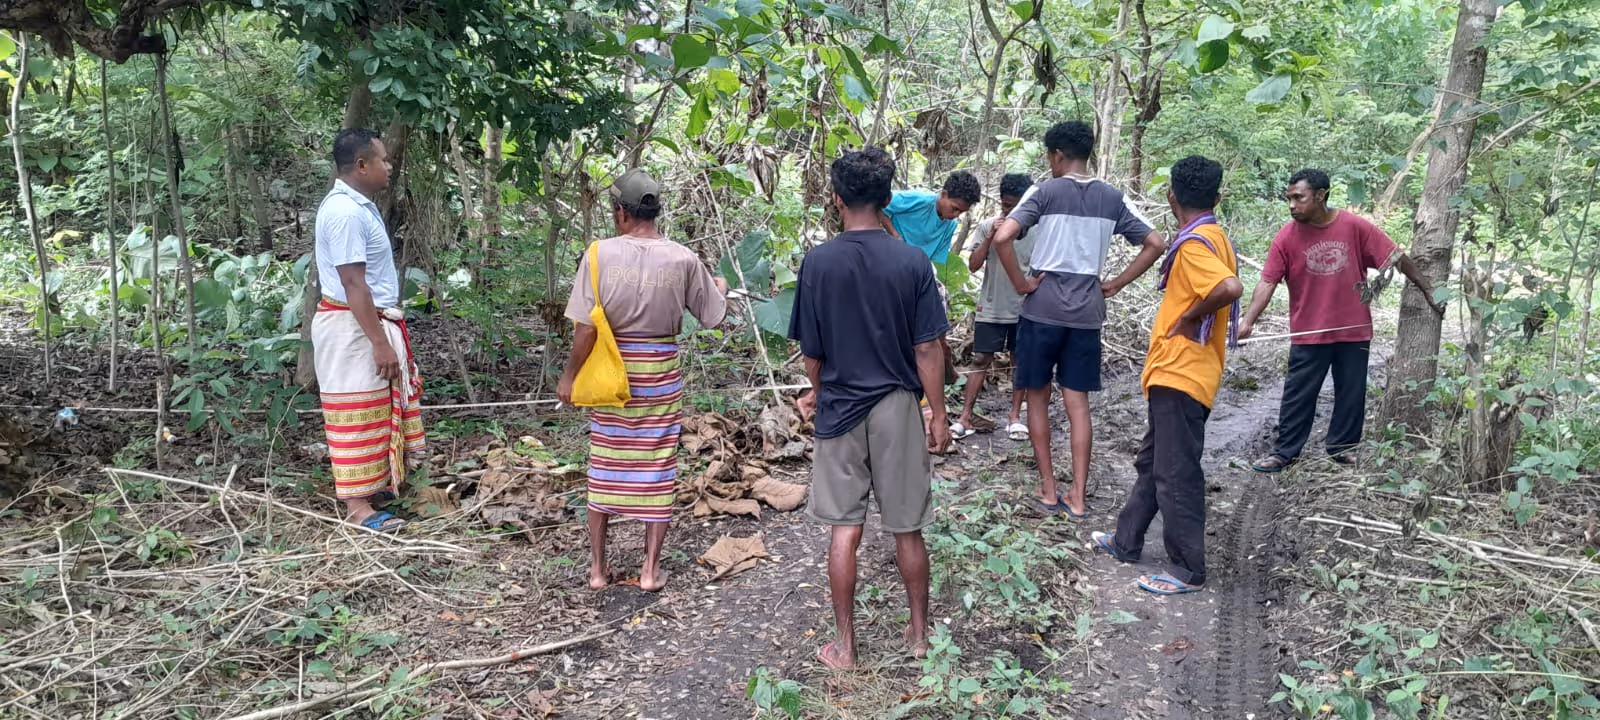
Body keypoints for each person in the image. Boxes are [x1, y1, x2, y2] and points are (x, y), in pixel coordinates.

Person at [789, 147, 951, 670]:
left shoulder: (818, 263)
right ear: (886, 199)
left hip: (840, 408)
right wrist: (938, 413)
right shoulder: (912, 261)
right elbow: (927, 349)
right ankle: (919, 635)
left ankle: (846, 646)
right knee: (907, 527)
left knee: (844, 529)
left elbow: (813, 353)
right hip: (898, 406)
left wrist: (819, 390)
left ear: (837, 199)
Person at [558, 169, 728, 592]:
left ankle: (598, 570)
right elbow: (712, 315)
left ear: (620, 212)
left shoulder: (598, 254)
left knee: (605, 462)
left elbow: (586, 329)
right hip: (660, 374)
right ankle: (650, 571)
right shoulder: (683, 259)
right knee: (657, 465)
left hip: (610, 374)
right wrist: (720, 287)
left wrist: (569, 376)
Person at [987, 121, 1166, 517]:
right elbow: (1156, 243)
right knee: (1078, 404)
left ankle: (1049, 489)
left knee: (1037, 397)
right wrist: (1115, 283)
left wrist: (1021, 284)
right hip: (1086, 313)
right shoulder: (1112, 197)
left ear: (1056, 154)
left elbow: (1002, 237)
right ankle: (1079, 497)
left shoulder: (1044, 191)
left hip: (1041, 309)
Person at [1090, 155, 1243, 596]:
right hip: (1180, 372)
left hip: (1182, 372)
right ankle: (1127, 540)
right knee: (1154, 461)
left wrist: (1190, 318)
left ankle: (1188, 569)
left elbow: (1228, 288)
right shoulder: (1214, 236)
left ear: (1172, 196)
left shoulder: (1194, 246)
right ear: (1217, 197)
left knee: (1176, 472)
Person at [1238, 168, 1444, 473]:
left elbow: (1395, 257)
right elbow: (1267, 282)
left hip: (1353, 329)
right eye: (1289, 198)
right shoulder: (1286, 236)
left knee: (1351, 391)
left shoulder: (1354, 226)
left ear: (1320, 195)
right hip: (1309, 331)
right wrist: (1247, 321)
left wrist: (1428, 289)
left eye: (1299, 198)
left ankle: (1343, 448)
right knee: (1298, 394)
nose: (1292, 205)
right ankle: (1284, 452)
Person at [311, 128, 421, 533]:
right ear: (361, 165)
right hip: (353, 326)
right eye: (383, 160)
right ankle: (357, 507)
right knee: (355, 413)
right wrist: (379, 342)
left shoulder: (357, 207)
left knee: (375, 408)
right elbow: (353, 283)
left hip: (365, 321)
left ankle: (374, 487)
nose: (389, 166)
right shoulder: (345, 212)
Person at [953, 173, 1035, 440]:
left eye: (1015, 206)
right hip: (991, 306)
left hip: (1025, 308)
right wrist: (991, 236)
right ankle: (965, 417)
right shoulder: (988, 225)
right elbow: (973, 265)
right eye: (1005, 205)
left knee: (1019, 360)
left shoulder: (1039, 230)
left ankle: (1015, 418)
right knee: (980, 359)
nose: (1009, 211)